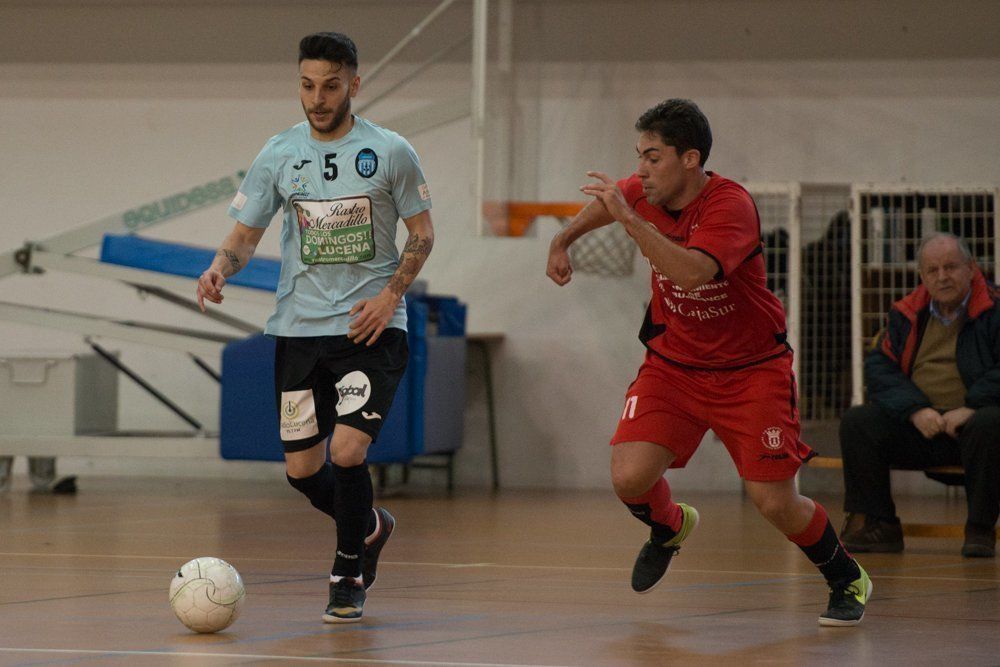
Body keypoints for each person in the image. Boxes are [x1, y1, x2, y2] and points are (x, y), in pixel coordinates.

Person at [546, 99, 871, 626]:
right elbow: (609, 204)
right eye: (638, 157)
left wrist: (630, 220)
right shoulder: (641, 192)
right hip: (673, 365)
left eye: (653, 157)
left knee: (774, 504)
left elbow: (692, 273)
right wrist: (562, 240)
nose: (641, 170)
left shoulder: (730, 206)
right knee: (629, 478)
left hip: (751, 370)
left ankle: (846, 577)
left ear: (690, 158)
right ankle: (670, 526)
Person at [196, 32, 434, 622]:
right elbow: (246, 233)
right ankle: (372, 525)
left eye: (331, 86)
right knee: (303, 470)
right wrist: (218, 267)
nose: (318, 98)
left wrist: (389, 296)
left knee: (348, 451)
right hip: (299, 332)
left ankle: (347, 571)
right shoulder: (279, 152)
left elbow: (423, 235)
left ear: (355, 84)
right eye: (307, 85)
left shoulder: (391, 151)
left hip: (369, 330)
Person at [839, 232, 1000, 558]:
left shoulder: (994, 309)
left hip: (974, 428)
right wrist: (916, 410)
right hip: (922, 426)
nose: (942, 277)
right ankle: (881, 525)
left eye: (951, 267)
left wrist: (971, 407)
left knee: (991, 422)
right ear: (922, 276)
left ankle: (980, 530)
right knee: (858, 422)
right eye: (933, 270)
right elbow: (880, 369)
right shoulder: (906, 313)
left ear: (971, 268)